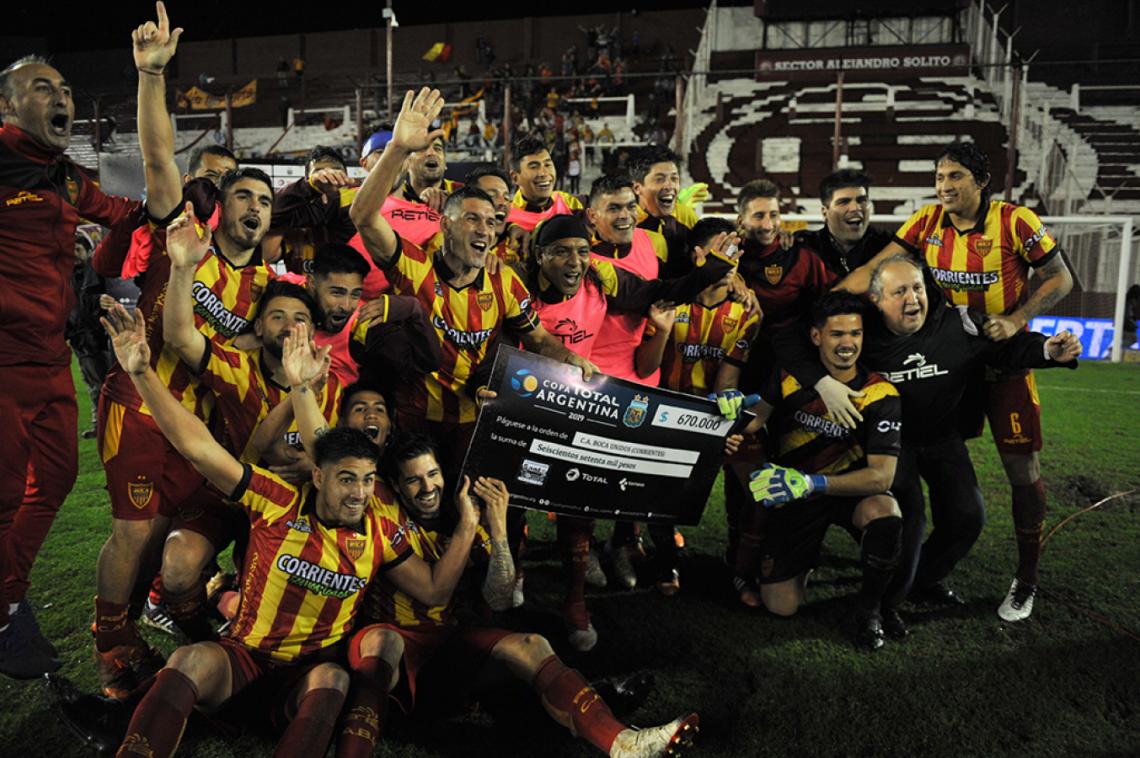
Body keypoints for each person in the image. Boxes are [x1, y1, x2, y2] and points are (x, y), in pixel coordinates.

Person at [99, 303, 481, 758]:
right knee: (189, 659)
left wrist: (469, 526)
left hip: (308, 678)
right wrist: (142, 373)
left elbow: (435, 592)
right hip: (242, 662)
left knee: (334, 678)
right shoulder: (277, 498)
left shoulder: (380, 529)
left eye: (365, 480)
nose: (359, 493)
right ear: (318, 477)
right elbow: (199, 447)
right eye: (346, 480)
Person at [91, 5, 275, 697]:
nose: (256, 207)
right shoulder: (182, 235)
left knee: (166, 537)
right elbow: (158, 157)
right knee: (134, 535)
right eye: (245, 196)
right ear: (222, 208)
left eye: (266, 200)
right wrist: (150, 77)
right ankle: (110, 641)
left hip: (199, 430)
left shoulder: (265, 288)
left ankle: (157, 618)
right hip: (139, 406)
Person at [839, 141, 1075, 621]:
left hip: (1002, 361)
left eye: (955, 178)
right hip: (948, 360)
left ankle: (1025, 579)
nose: (944, 187)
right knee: (936, 460)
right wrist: (824, 309)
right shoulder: (926, 223)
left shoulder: (1015, 221)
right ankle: (906, 571)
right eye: (939, 178)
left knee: (1021, 472)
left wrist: (1016, 318)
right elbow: (875, 271)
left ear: (982, 182)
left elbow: (1059, 278)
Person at [354, 432, 700, 758]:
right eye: (414, 480)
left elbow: (500, 598)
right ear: (396, 486)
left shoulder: (460, 516)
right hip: (392, 648)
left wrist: (499, 527)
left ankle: (624, 743)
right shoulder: (384, 514)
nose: (428, 487)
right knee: (385, 642)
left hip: (443, 649)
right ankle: (352, 739)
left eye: (433, 474)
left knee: (531, 646)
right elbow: (433, 592)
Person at [787, 255, 1081, 635]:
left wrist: (1048, 351)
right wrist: (821, 384)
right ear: (876, 299)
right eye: (899, 291)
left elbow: (1005, 348)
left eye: (917, 288)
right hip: (891, 445)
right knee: (908, 527)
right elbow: (797, 345)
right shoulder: (862, 333)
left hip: (943, 439)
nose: (913, 298)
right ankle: (877, 607)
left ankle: (918, 582)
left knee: (968, 517)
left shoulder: (957, 323)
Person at [349, 87, 596, 480]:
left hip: (474, 417)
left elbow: (537, 339)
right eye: (472, 219)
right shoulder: (415, 267)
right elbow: (363, 215)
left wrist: (570, 359)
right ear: (445, 223)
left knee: (470, 506)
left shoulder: (505, 282)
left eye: (492, 221)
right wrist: (397, 149)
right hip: (415, 417)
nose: (486, 230)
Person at [524, 213, 739, 646]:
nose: (574, 261)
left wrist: (714, 268)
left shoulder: (601, 283)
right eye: (562, 252)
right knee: (507, 509)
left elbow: (663, 291)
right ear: (539, 255)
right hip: (518, 410)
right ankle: (502, 586)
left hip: (570, 411)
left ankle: (575, 601)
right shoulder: (518, 290)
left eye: (583, 252)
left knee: (576, 508)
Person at [0, 52, 141, 679]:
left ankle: (5, 596)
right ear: (8, 107)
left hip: (51, 361)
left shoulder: (63, 177)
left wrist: (168, 206)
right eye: (41, 88)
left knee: (53, 483)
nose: (61, 97)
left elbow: (120, 215)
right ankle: (5, 609)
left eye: (65, 87)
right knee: (4, 496)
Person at [739, 292, 903, 651]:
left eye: (855, 334)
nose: (848, 344)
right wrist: (733, 410)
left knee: (885, 513)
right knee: (781, 607)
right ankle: (805, 560)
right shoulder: (788, 375)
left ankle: (871, 609)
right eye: (837, 334)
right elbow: (756, 420)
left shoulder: (879, 392)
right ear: (816, 337)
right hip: (792, 494)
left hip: (841, 490)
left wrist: (813, 482)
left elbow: (882, 477)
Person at [795, 169, 893, 276]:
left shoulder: (889, 244)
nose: (855, 208)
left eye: (862, 200)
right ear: (825, 213)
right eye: (844, 202)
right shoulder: (804, 245)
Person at [630, 145, 700, 278]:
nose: (670, 186)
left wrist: (734, 279)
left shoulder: (686, 216)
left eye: (674, 178)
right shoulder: (627, 224)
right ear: (638, 188)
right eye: (659, 179)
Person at [505, 134, 585, 232]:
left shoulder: (569, 204)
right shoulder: (507, 219)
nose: (544, 173)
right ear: (515, 177)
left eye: (547, 164)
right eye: (534, 167)